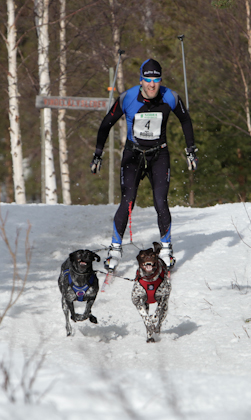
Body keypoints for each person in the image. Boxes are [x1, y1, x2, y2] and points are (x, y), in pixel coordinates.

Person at [90, 58, 197, 272]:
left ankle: (166, 250)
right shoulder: (128, 97)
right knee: (128, 201)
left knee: (160, 201)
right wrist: (98, 154)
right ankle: (114, 249)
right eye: (147, 80)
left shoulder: (170, 97)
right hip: (133, 155)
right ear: (141, 81)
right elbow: (106, 124)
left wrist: (190, 150)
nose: (152, 84)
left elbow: (186, 120)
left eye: (156, 80)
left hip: (159, 155)